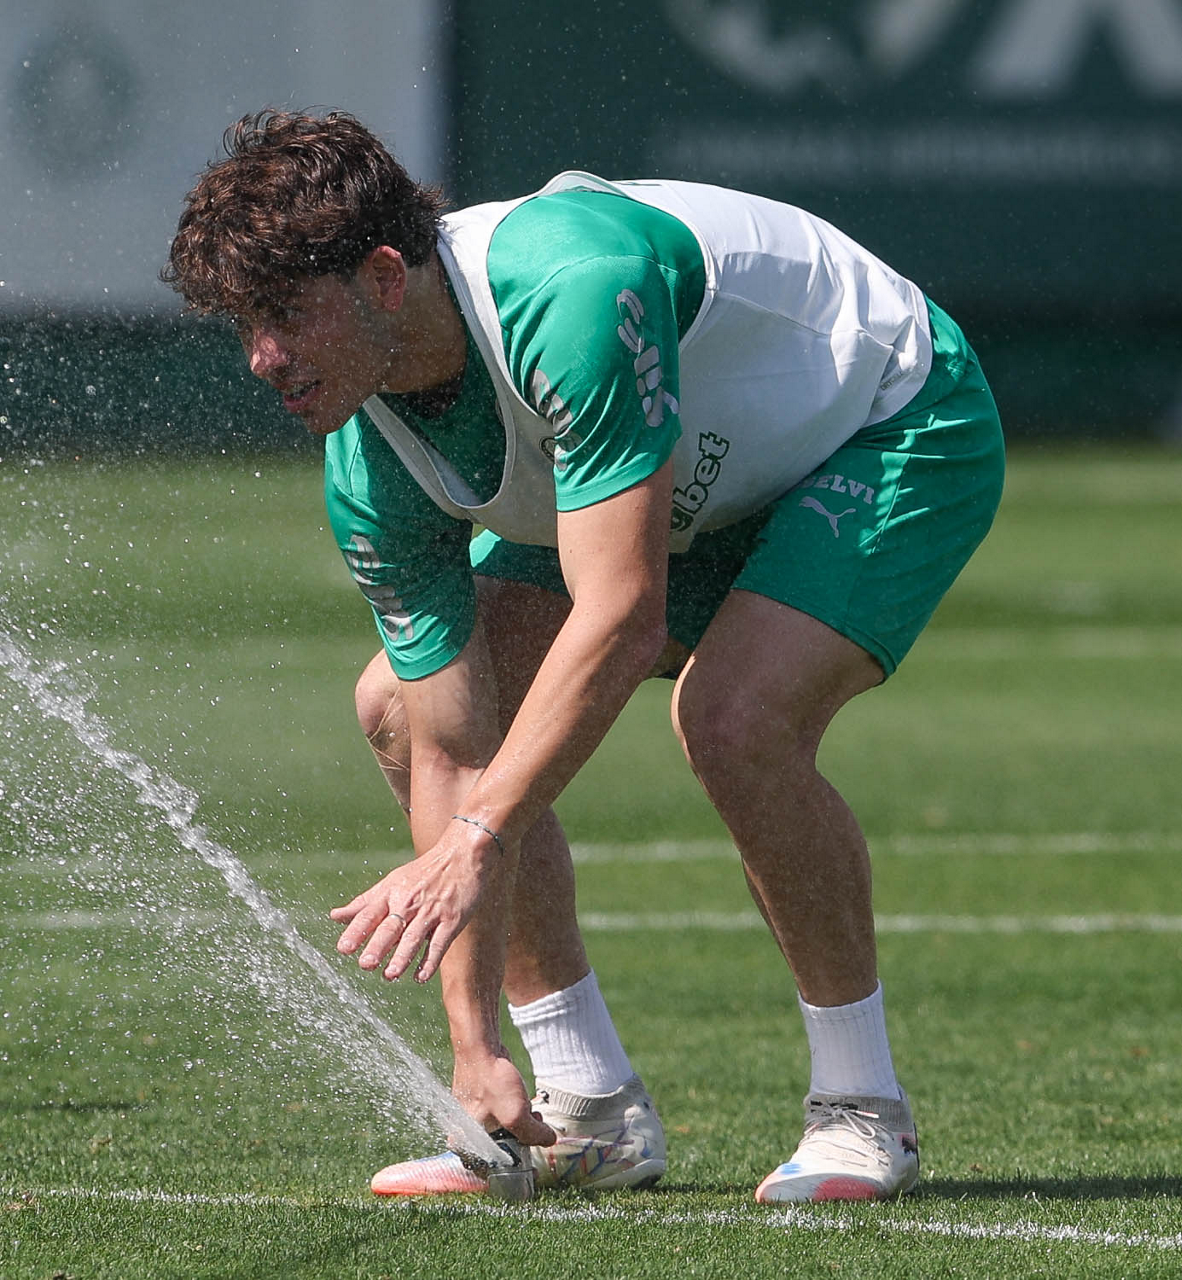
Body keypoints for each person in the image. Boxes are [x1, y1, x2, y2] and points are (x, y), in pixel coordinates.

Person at [162, 109, 1005, 1203]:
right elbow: (454, 743)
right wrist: (472, 1046)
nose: (262, 359)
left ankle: (861, 1109)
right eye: (243, 324)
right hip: (688, 476)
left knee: (733, 717)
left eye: (284, 315)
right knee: (398, 709)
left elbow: (623, 615)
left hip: (884, 416)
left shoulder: (570, 293)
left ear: (383, 278)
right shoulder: (368, 465)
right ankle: (584, 1109)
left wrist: (480, 837)